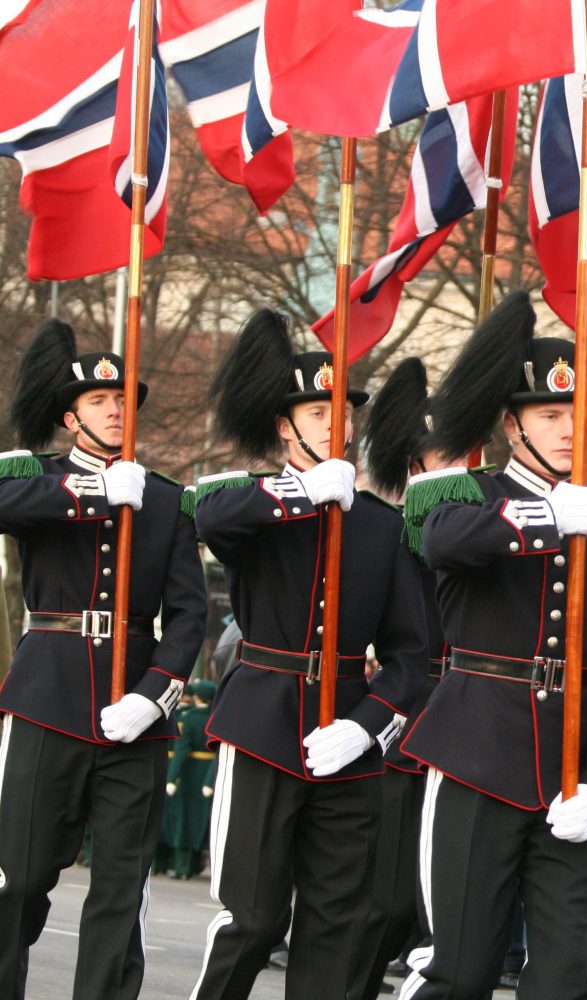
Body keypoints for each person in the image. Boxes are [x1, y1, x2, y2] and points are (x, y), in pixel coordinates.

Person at [391, 295, 587, 1000]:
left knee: (566, 978)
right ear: (511, 425)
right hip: (477, 753)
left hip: (572, 770)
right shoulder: (465, 497)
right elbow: (442, 542)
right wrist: (541, 517)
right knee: (461, 967)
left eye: (578, 416)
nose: (570, 431)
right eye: (549, 415)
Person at [189, 310, 428, 1000]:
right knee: (254, 918)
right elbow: (207, 517)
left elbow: (414, 653)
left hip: (348, 737)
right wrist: (295, 495)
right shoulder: (254, 506)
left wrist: (367, 722)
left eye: (340, 411)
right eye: (313, 411)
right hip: (263, 723)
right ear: (282, 426)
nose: (332, 423)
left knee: (339, 923)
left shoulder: (383, 529)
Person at [0, 320, 207, 1000]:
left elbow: (189, 615)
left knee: (121, 886)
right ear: (69, 416)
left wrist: (155, 695)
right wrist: (91, 494)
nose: (116, 409)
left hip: (134, 712)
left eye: (123, 398)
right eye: (98, 400)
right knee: (21, 876)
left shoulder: (169, 499)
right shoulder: (37, 479)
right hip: (46, 698)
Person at [346, 358, 455, 1000]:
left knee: (437, 917)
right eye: (438, 455)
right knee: (381, 902)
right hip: (404, 729)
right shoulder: (395, 531)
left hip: (464, 725)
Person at [162, 680, 219, 879]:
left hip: (189, 773)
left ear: (196, 697)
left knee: (183, 819)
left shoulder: (188, 718)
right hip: (210, 773)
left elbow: (181, 750)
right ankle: (194, 864)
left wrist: (171, 778)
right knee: (202, 819)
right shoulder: (215, 718)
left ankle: (182, 867)